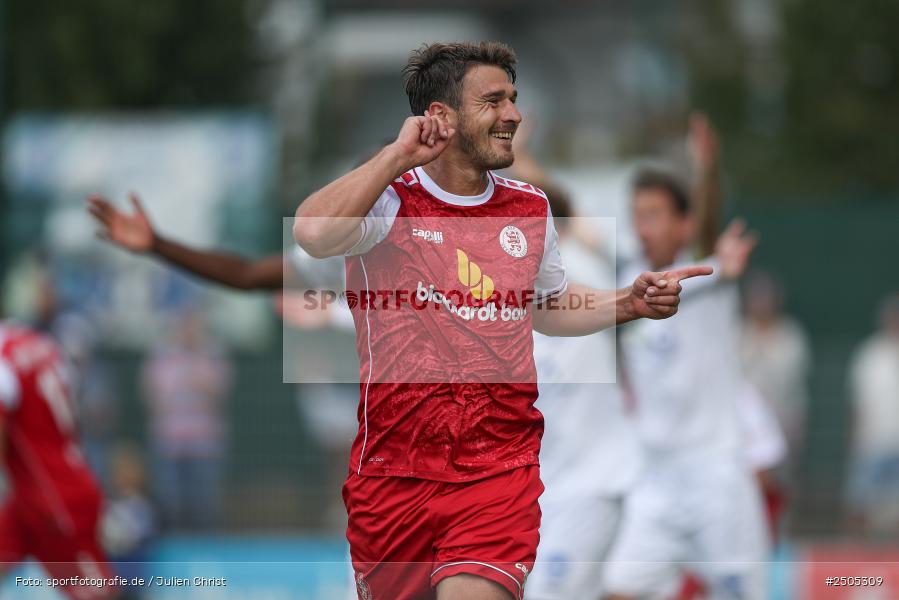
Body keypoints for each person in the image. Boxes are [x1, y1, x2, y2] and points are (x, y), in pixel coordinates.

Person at [291, 41, 709, 600]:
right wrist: (396, 155)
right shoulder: (390, 202)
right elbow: (312, 234)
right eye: (493, 101)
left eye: (512, 98)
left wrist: (626, 302)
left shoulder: (530, 208)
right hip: (394, 477)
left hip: (497, 471)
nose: (513, 114)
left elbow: (547, 306)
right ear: (440, 116)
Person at [603, 158, 769, 599]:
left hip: (716, 474)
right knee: (618, 591)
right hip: (654, 479)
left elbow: (707, 224)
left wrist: (708, 169)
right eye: (637, 215)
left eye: (654, 215)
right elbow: (571, 224)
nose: (642, 227)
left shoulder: (705, 269)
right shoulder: (628, 280)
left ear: (684, 224)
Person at [0, 319, 119, 599]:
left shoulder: (4, 362)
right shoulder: (36, 341)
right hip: (38, 490)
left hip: (54, 500)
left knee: (95, 594)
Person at [141, 310, 232, 531]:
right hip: (169, 440)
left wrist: (194, 378)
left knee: (203, 500)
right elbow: (153, 394)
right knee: (170, 498)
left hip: (204, 442)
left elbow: (217, 392)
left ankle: (205, 542)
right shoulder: (162, 356)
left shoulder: (212, 355)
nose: (189, 332)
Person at [846, 292, 899, 537]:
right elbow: (857, 402)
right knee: (860, 504)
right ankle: (852, 553)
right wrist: (854, 439)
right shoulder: (869, 354)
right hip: (872, 440)